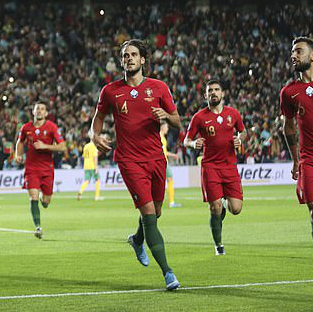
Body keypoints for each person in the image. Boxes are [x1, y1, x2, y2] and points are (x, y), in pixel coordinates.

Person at [90, 39, 181, 290]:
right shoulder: (110, 91)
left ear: (143, 60)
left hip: (156, 158)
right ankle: (168, 273)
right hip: (129, 160)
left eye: (133, 54)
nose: (128, 58)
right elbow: (97, 121)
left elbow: (177, 121)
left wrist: (167, 117)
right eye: (125, 55)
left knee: (156, 212)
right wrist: (94, 136)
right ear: (122, 61)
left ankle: (137, 240)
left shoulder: (159, 88)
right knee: (150, 215)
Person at [280, 37, 313, 293]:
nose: (293, 55)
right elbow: (288, 128)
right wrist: (295, 159)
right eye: (292, 52)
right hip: (310, 159)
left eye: (298, 51)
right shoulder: (289, 92)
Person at [184, 80, 246, 255]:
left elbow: (243, 131)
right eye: (210, 90)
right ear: (205, 95)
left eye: (217, 90)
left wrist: (240, 139)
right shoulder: (199, 117)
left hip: (230, 166)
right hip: (210, 166)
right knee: (215, 207)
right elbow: (186, 140)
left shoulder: (233, 114)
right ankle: (219, 245)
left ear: (222, 93)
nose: (213, 92)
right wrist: (193, 143)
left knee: (236, 209)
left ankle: (224, 206)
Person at [15, 102, 67, 239]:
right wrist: (18, 154)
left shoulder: (52, 127)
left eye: (42, 109)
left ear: (46, 113)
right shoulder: (26, 128)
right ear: (33, 111)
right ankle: (38, 227)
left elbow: (62, 147)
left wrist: (45, 146)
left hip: (47, 169)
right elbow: (20, 142)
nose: (39, 111)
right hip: (31, 168)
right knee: (33, 196)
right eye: (37, 109)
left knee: (46, 201)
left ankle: (44, 202)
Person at [161, 122, 181, 208]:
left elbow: (164, 152)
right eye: (166, 127)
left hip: (163, 161)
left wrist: (173, 155)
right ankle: (172, 202)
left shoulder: (162, 138)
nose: (167, 129)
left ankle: (171, 201)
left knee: (167, 180)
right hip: (163, 162)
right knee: (170, 180)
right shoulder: (161, 138)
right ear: (162, 127)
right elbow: (161, 152)